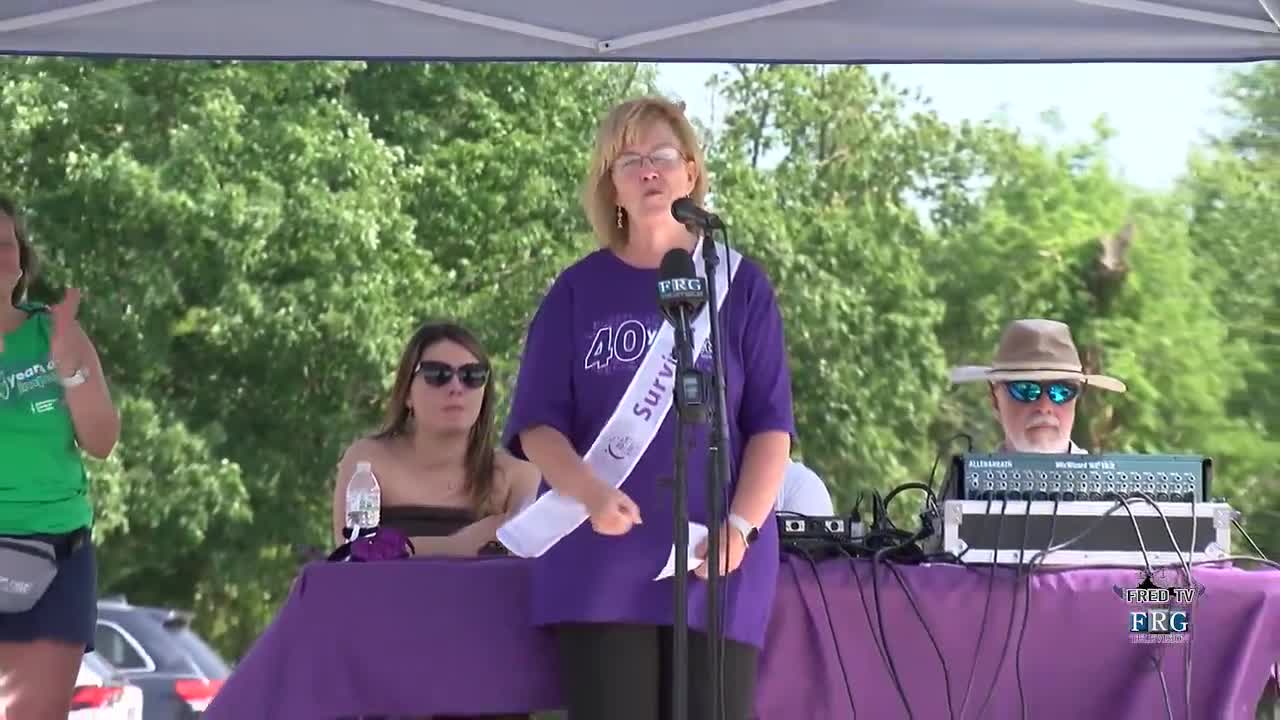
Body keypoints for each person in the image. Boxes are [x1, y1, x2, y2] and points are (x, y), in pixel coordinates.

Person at [498, 96, 795, 720]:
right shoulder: (578, 289)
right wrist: (589, 492)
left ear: (691, 172)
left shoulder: (741, 287)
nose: (648, 171)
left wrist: (740, 528)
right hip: (602, 559)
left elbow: (771, 428)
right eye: (628, 160)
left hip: (717, 556)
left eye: (662, 155)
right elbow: (536, 426)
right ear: (611, 187)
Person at [0, 196, 121, 718]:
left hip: (57, 551)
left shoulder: (55, 333)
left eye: (5, 245)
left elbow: (101, 440)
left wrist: (70, 368)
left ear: (22, 260)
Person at [332, 321, 541, 558]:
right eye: (437, 374)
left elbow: (528, 560)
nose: (456, 387)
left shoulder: (518, 476)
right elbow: (353, 554)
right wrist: (461, 544)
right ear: (407, 393)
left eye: (472, 375)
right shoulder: (368, 463)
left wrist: (405, 547)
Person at [950, 318, 1127, 454]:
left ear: (1076, 399)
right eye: (1026, 390)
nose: (1044, 407)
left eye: (1061, 392)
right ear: (994, 399)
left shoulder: (1116, 496)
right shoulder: (962, 493)